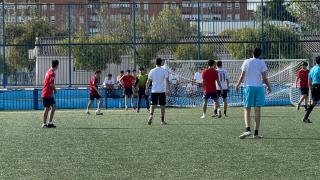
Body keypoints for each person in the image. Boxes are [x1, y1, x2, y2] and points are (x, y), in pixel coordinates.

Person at [235, 47, 272, 139]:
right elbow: (264, 78)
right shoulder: (262, 62)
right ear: (260, 54)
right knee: (257, 111)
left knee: (247, 109)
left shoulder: (246, 61)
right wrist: (269, 86)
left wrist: (237, 85)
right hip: (259, 88)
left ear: (252, 53)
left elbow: (242, 75)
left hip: (248, 88)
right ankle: (256, 133)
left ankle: (248, 130)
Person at [146, 58, 169, 125]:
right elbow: (167, 81)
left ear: (155, 63)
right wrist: (169, 89)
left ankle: (151, 115)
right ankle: (162, 121)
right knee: (162, 105)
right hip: (162, 90)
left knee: (152, 104)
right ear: (161, 63)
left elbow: (148, 81)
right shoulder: (164, 70)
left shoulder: (152, 71)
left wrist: (146, 89)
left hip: (154, 90)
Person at [42, 60, 59, 128]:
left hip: (47, 93)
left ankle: (50, 122)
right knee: (47, 108)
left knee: (53, 107)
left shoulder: (48, 71)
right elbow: (51, 84)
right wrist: (55, 90)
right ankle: (44, 124)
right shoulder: (52, 73)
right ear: (57, 65)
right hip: (47, 93)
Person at [303, 56, 320, 123]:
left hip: (313, 86)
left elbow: (309, 79)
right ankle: (305, 118)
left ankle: (305, 118)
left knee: (314, 103)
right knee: (313, 103)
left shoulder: (312, 69)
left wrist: (310, 88)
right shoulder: (319, 69)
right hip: (318, 86)